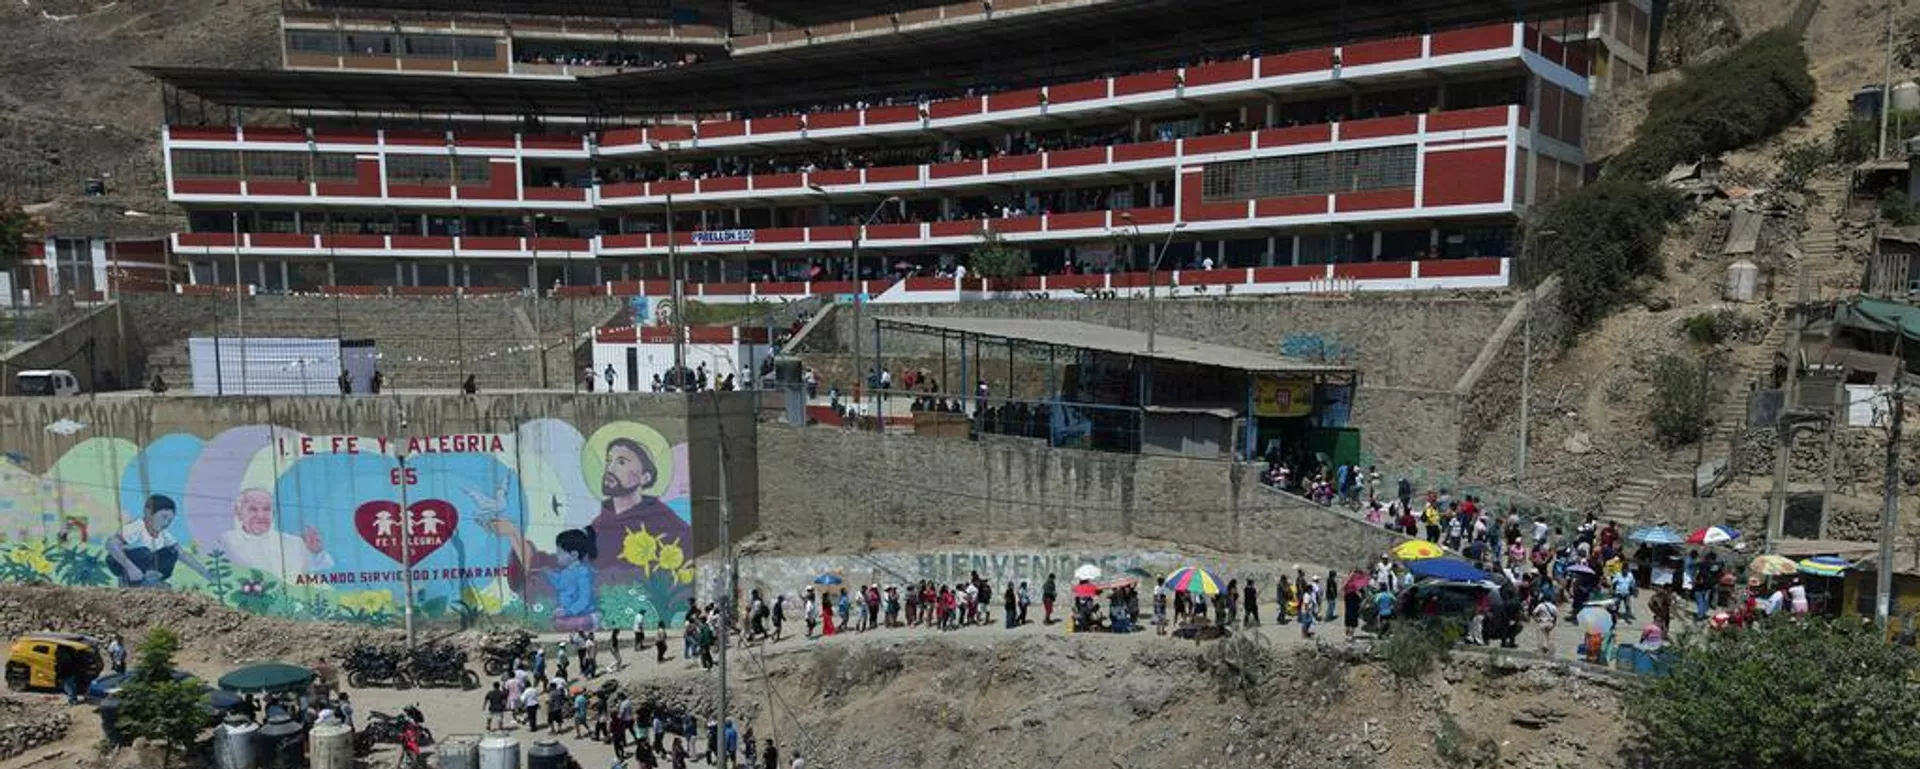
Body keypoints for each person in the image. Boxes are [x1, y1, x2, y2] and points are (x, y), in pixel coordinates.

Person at [219, 488, 334, 576]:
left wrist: (316, 552)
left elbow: (322, 566)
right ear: (239, 513)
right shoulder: (227, 541)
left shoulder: (293, 543)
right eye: (252, 509)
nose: (261, 515)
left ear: (273, 513)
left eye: (267, 509)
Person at [105, 494, 213, 587]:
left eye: (170, 520)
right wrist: (130, 567)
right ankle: (132, 582)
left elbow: (182, 554)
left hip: (145, 567)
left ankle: (150, 581)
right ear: (148, 513)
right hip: (121, 563)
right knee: (144, 552)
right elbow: (111, 544)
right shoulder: (136, 527)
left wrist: (205, 573)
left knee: (170, 553)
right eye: (164, 517)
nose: (166, 523)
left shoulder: (164, 535)